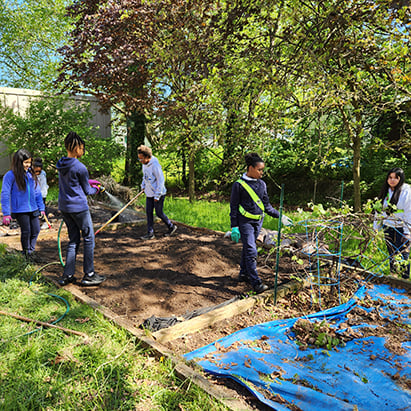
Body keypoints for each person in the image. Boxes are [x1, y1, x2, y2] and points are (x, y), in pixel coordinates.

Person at [230, 153, 293, 294]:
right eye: (259, 170)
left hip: (258, 221)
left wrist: (280, 217)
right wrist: (234, 226)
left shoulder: (262, 184)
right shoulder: (238, 185)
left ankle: (244, 273)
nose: (261, 173)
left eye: (262, 170)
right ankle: (256, 283)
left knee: (248, 247)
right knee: (252, 250)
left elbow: (267, 206)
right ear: (250, 168)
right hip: (244, 222)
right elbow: (233, 207)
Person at [56, 131, 106, 286]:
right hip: (78, 208)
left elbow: (71, 181)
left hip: (65, 207)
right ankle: (89, 274)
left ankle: (68, 275)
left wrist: (89, 181)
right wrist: (97, 189)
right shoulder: (80, 167)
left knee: (73, 240)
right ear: (76, 147)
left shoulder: (61, 163)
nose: (83, 150)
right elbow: (87, 191)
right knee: (89, 238)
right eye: (82, 147)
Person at [1, 149, 45, 261]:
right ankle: (27, 254)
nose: (28, 165)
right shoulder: (10, 175)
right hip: (20, 209)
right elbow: (5, 194)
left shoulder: (30, 174)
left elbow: (37, 192)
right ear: (18, 162)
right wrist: (6, 213)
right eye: (25, 162)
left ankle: (31, 251)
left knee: (36, 230)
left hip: (33, 207)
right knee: (26, 231)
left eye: (29, 162)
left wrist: (42, 208)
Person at [374, 167, 411, 279]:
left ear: (401, 179)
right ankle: (393, 276)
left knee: (403, 253)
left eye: (396, 178)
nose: (392, 180)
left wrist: (407, 231)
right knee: (391, 252)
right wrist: (376, 228)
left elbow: (409, 212)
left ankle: (404, 279)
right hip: (388, 226)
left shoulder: (407, 192)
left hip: (401, 227)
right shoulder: (386, 192)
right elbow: (379, 210)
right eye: (390, 177)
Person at [137, 145, 177, 240]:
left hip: (159, 193)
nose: (140, 161)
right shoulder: (144, 165)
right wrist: (143, 186)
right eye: (139, 159)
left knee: (159, 213)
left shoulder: (155, 166)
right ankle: (150, 233)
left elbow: (160, 181)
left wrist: (157, 195)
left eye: (142, 159)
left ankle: (171, 226)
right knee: (149, 212)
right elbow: (145, 177)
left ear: (147, 157)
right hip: (149, 193)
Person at [33, 157, 49, 228]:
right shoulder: (30, 174)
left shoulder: (42, 175)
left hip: (42, 193)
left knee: (43, 208)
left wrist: (41, 196)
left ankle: (46, 221)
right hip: (34, 193)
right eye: (35, 171)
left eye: (38, 172)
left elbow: (43, 186)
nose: (37, 173)